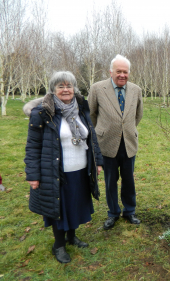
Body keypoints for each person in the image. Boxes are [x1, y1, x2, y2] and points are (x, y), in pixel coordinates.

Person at [24, 71, 103, 263]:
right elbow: (33, 146)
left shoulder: (81, 108)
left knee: (74, 204)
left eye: (69, 86)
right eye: (61, 86)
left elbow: (91, 137)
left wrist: (97, 161)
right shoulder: (43, 113)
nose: (66, 90)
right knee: (58, 207)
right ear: (53, 90)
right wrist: (33, 175)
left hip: (81, 170)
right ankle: (58, 245)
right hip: (56, 171)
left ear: (74, 88)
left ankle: (71, 237)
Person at [88, 54, 143, 230]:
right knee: (111, 181)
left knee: (129, 180)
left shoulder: (136, 90)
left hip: (128, 143)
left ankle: (130, 211)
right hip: (106, 144)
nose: (122, 75)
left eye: (125, 72)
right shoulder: (97, 89)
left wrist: (127, 128)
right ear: (111, 72)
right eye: (118, 71)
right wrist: (101, 131)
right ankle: (113, 213)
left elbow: (138, 114)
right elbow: (91, 114)